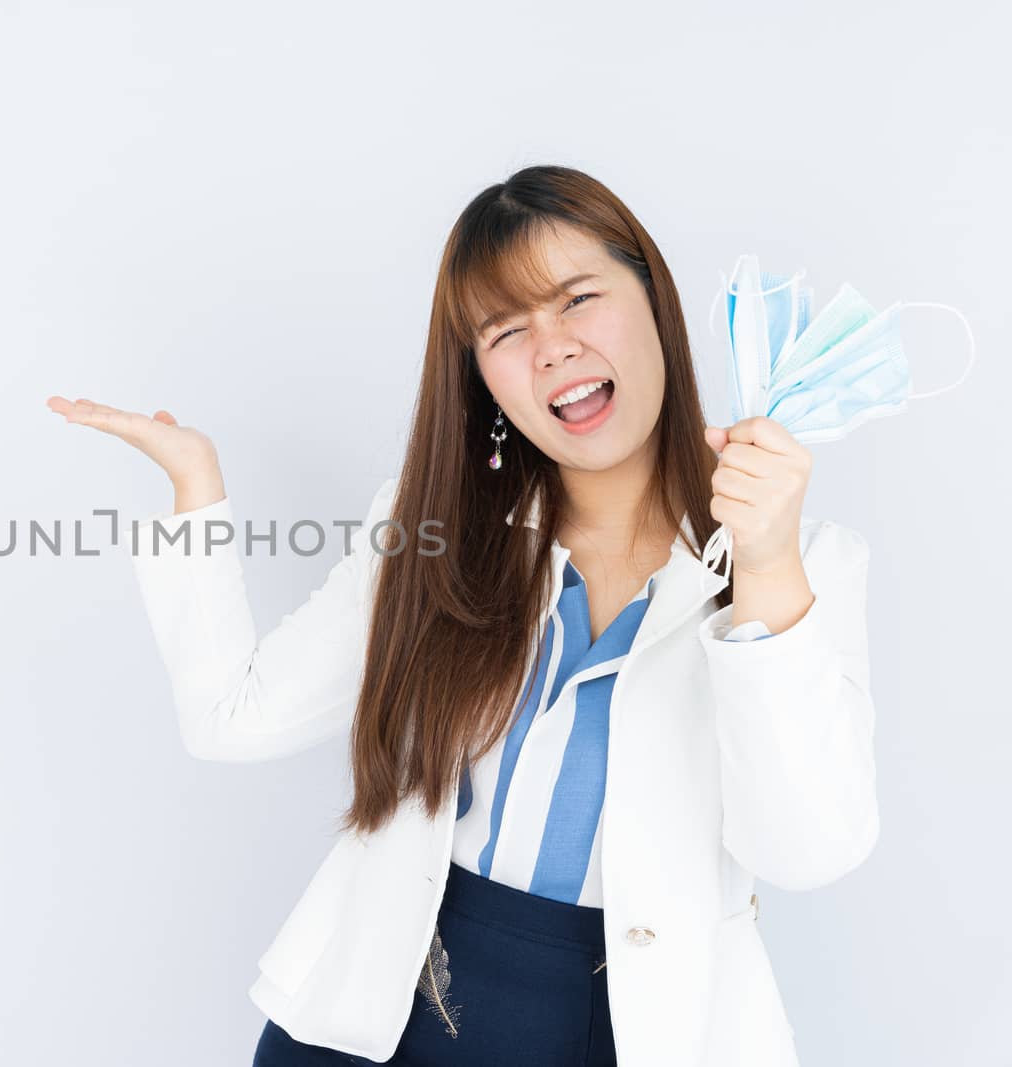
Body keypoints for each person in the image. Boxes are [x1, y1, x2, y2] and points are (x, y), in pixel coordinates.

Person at [45, 164, 878, 1066]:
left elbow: (807, 850)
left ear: (655, 301)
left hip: (626, 1031)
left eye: (577, 299)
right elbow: (232, 718)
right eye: (506, 330)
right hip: (378, 1021)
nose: (551, 347)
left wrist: (763, 566)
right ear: (485, 379)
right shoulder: (433, 530)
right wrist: (195, 487)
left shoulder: (801, 560)